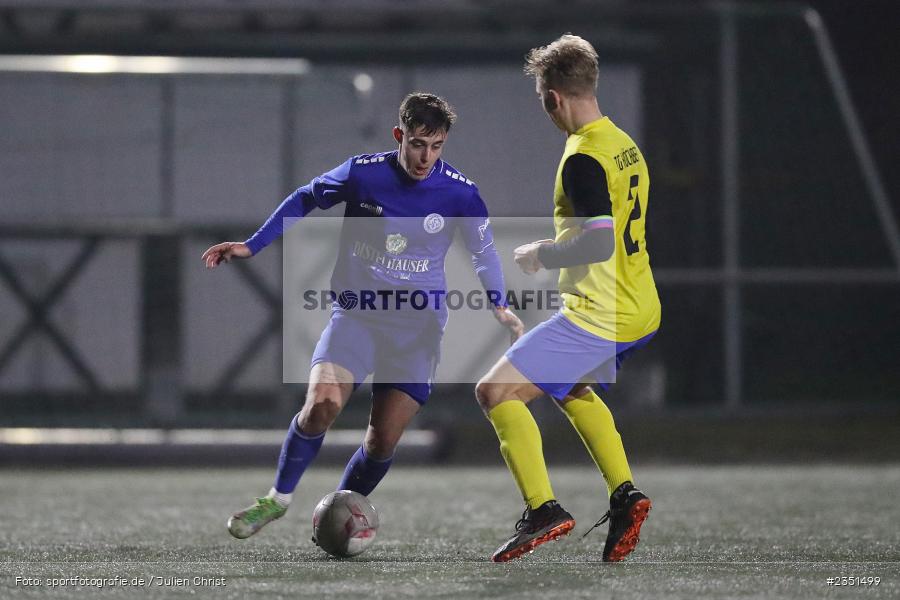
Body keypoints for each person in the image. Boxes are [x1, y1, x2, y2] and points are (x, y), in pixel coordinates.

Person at [202, 92, 523, 540]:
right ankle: (276, 500)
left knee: (381, 441)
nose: (424, 157)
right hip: (357, 318)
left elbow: (484, 250)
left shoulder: (460, 192)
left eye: (435, 147)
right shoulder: (362, 173)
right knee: (322, 406)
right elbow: (303, 199)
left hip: (417, 329)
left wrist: (499, 302)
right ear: (399, 135)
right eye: (416, 144)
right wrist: (252, 245)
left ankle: (332, 519)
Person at [474, 35, 661, 563]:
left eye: (542, 99)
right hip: (638, 304)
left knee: (494, 393)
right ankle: (625, 495)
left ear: (553, 96)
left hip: (599, 315)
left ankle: (543, 509)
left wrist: (541, 253)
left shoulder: (583, 158)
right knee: (567, 386)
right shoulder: (623, 143)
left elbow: (600, 239)